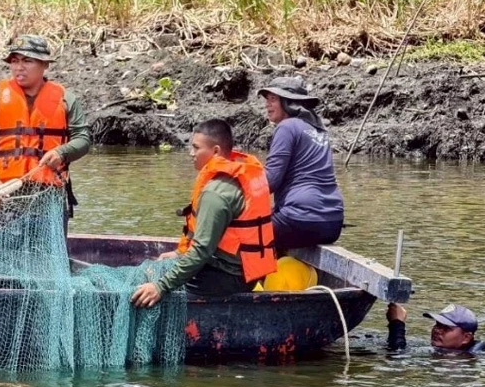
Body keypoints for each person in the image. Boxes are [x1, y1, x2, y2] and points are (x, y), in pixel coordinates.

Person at [131, 119, 277, 307]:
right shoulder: (239, 175)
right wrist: (178, 253)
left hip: (227, 278)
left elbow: (201, 251)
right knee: (161, 268)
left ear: (215, 151)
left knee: (149, 279)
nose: (191, 153)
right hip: (246, 274)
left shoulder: (215, 193)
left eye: (196, 148)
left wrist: (160, 286)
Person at [0, 34, 91, 219]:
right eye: (14, 61)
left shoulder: (66, 99)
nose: (19, 67)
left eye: (27, 61)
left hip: (49, 195)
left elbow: (83, 139)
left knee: (47, 248)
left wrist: (61, 153)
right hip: (4, 193)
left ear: (45, 64)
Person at [257, 76, 344, 253]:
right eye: (267, 99)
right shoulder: (318, 129)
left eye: (273, 99)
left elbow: (270, 181)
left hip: (300, 221)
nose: (267, 104)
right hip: (332, 222)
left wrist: (234, 192)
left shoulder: (287, 127)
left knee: (240, 232)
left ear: (289, 102)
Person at [386, 303, 482, 353]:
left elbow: (397, 357)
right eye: (438, 324)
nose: (437, 330)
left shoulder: (460, 360)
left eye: (446, 328)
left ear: (466, 338)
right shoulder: (444, 350)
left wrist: (397, 323)